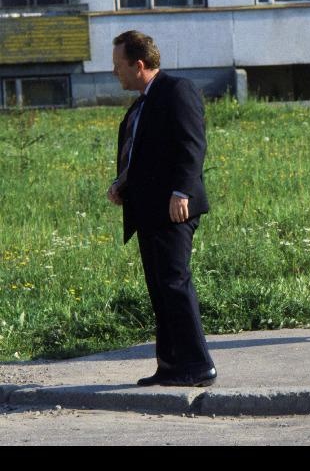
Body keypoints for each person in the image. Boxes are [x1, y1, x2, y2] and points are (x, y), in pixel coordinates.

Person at [106, 30, 216, 387]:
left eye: (118, 66)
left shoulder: (176, 90)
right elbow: (142, 155)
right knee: (159, 285)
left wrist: (182, 191)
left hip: (175, 207)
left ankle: (199, 365)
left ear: (138, 65)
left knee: (174, 281)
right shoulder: (141, 102)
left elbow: (192, 145)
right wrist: (122, 184)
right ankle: (170, 364)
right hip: (148, 208)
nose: (115, 73)